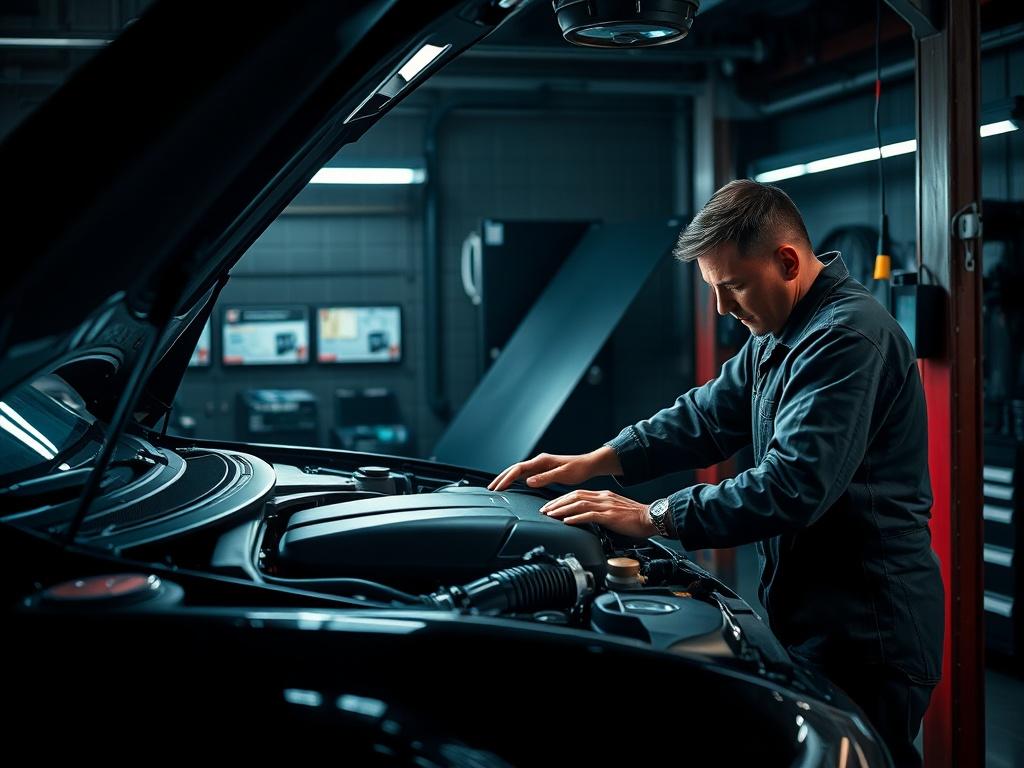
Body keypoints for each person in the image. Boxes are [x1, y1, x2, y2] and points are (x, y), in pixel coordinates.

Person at [488, 179, 943, 767]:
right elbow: (705, 416)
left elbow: (793, 483)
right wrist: (596, 460)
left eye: (731, 287)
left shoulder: (846, 338)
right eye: (713, 290)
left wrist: (654, 516)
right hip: (816, 615)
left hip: (869, 630)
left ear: (786, 261)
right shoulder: (781, 330)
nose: (723, 309)